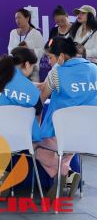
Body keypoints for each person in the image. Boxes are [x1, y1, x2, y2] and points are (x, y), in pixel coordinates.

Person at [36, 36, 97, 196]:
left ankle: (66, 174)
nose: (49, 62)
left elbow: (40, 99)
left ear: (61, 56)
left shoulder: (56, 73)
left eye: (51, 58)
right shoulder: (94, 69)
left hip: (62, 134)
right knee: (66, 149)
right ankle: (68, 176)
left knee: (35, 145)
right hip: (90, 134)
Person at [6, 8, 46, 81]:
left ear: (27, 18)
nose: (17, 20)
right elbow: (10, 49)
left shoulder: (36, 33)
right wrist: (18, 50)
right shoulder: (13, 33)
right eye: (16, 18)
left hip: (31, 69)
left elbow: (42, 50)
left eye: (19, 17)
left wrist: (28, 50)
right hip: (16, 68)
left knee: (32, 87)